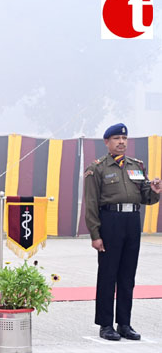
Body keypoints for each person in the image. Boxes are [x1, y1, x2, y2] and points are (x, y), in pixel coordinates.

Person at [84, 123, 161, 341]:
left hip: (132, 221)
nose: (121, 142)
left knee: (127, 275)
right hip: (110, 221)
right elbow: (90, 204)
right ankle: (106, 324)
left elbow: (145, 196)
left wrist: (154, 191)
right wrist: (95, 234)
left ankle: (124, 323)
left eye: (124, 139)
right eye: (116, 138)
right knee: (108, 274)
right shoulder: (97, 168)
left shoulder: (136, 166)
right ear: (107, 142)